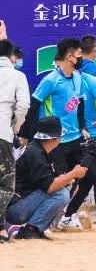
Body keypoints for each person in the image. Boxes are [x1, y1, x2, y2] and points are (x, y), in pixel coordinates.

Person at [24, 38, 96, 175]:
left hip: (75, 138)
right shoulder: (51, 80)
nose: (82, 58)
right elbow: (33, 106)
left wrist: (82, 127)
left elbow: (79, 103)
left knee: (81, 178)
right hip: (55, 141)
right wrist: (24, 135)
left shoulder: (77, 77)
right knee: (60, 180)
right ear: (70, 57)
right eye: (79, 54)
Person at [6, 117, 87, 240]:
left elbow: (46, 180)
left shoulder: (41, 150)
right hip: (15, 209)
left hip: (21, 204)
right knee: (61, 194)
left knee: (62, 190)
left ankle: (36, 229)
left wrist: (65, 179)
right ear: (55, 138)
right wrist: (73, 174)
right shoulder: (35, 153)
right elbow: (49, 187)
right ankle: (31, 229)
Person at [58, 58, 96, 231]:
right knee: (81, 181)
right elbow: (67, 111)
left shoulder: (90, 81)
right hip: (75, 138)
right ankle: (66, 216)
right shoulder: (64, 83)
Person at [0, 38, 29, 242]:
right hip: (2, 134)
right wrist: (16, 127)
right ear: (12, 57)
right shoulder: (17, 75)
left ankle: (1, 229)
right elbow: (23, 105)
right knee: (5, 185)